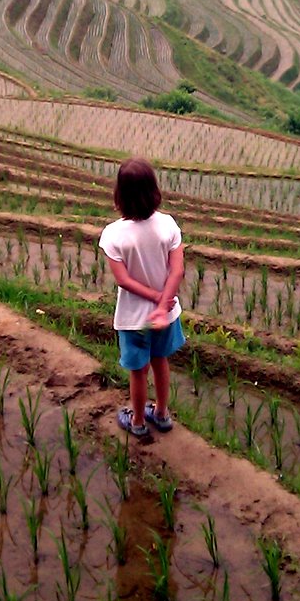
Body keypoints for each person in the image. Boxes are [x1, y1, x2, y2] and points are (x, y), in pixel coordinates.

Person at [99, 158, 185, 436]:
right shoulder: (168, 225)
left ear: (119, 194)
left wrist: (153, 298)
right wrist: (162, 303)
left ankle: (137, 422)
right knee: (160, 360)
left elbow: (123, 280)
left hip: (135, 319)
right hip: (165, 316)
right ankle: (160, 414)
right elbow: (177, 270)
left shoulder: (113, 235)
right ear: (154, 190)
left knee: (138, 371)